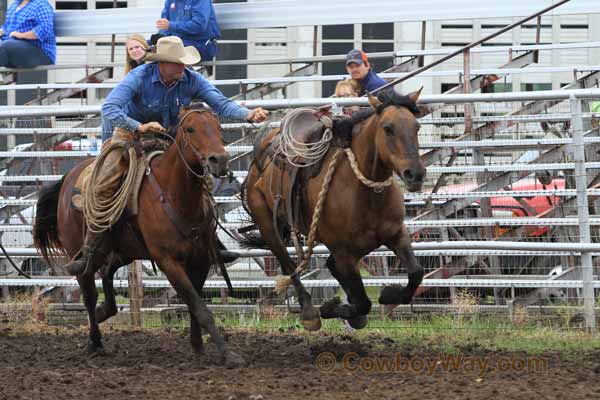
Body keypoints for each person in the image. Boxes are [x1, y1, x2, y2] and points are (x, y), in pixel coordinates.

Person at [64, 36, 268, 276]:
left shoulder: (190, 79)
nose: (183, 67)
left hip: (168, 138)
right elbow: (110, 107)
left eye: (183, 63)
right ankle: (90, 250)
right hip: (131, 134)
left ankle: (210, 242)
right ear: (162, 64)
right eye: (177, 63)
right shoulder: (139, 77)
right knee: (106, 180)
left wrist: (247, 114)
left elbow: (220, 103)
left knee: (199, 180)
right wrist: (138, 126)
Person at [156, 0, 220, 63]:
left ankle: (181, 72)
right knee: (148, 49)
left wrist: (171, 26)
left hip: (201, 44)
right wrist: (162, 40)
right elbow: (163, 26)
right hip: (178, 43)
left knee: (169, 53)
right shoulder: (170, 1)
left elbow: (199, 25)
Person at [0, 0, 56, 68]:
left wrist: (21, 35)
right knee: (5, 46)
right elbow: (6, 27)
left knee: (6, 46)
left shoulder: (41, 5)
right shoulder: (14, 5)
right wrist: (2, 31)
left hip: (41, 53)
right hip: (15, 50)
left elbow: (45, 29)